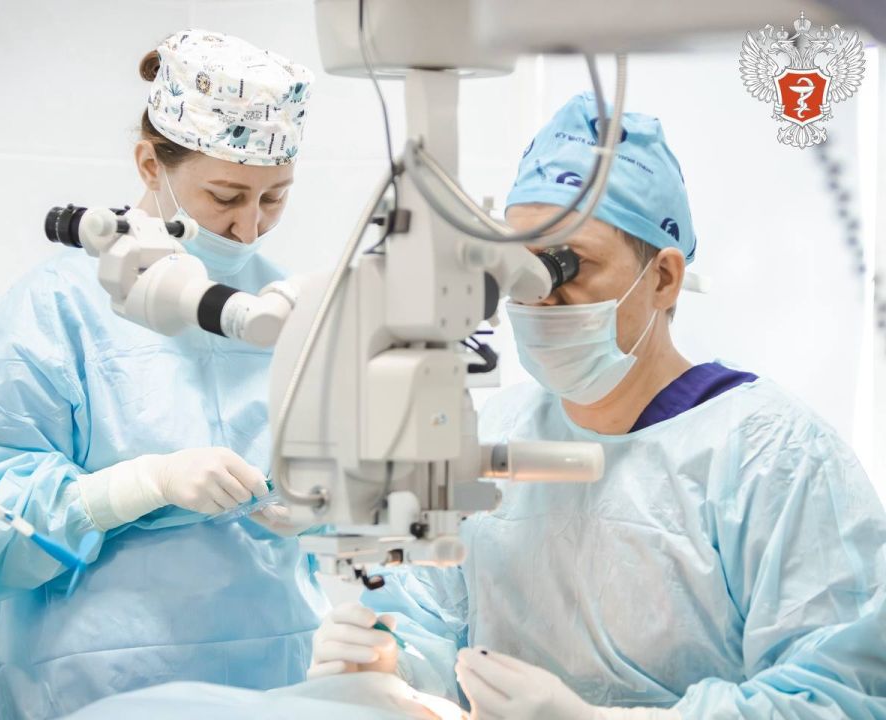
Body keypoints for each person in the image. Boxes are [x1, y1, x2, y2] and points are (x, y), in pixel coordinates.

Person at [304, 92, 886, 719]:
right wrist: (391, 665)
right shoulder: (495, 434)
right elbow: (436, 627)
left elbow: (838, 698)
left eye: (569, 264)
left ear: (663, 278)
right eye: (519, 268)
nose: (537, 296)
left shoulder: (776, 459)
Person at [0, 29, 329, 720]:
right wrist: (135, 487)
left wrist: (323, 507)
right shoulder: (58, 306)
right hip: (100, 684)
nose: (249, 228)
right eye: (226, 195)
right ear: (150, 164)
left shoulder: (286, 306)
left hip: (276, 678)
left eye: (273, 199)